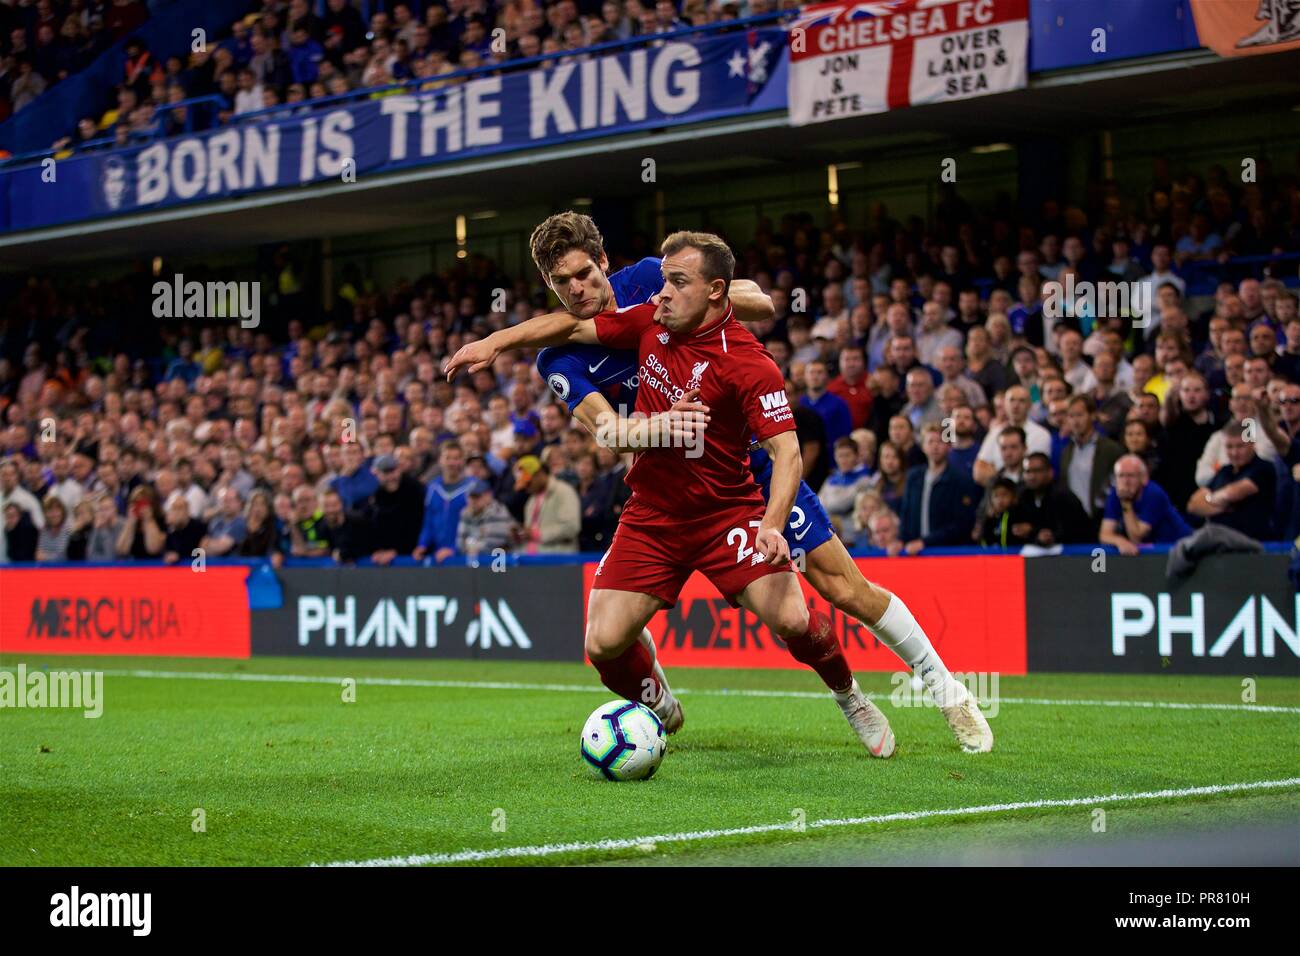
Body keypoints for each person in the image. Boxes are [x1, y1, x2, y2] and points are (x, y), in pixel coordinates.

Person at [447, 228, 987, 757]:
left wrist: (719, 299)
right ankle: (655, 694)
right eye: (562, 281)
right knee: (605, 639)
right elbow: (605, 425)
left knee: (843, 591)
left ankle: (945, 691)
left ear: (604, 262)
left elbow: (758, 299)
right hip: (664, 496)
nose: (578, 289)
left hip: (746, 472)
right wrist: (495, 342)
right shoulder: (562, 354)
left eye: (585, 273)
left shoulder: (652, 287)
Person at [1187, 423, 1278, 541]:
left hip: (1253, 544)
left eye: (1240, 446)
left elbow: (1232, 494)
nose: (1234, 453)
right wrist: (1222, 505)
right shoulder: (1224, 471)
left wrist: (1209, 501)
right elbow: (1193, 505)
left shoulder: (1263, 468)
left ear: (1252, 444)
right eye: (1229, 447)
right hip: (1220, 542)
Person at [898, 424, 980, 553]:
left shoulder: (961, 480)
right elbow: (906, 515)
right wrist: (900, 541)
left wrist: (925, 542)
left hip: (948, 553)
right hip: (914, 553)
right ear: (923, 447)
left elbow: (962, 524)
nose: (935, 446)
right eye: (930, 441)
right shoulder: (913, 478)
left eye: (940, 441)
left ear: (949, 446)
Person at [1098, 455, 1190, 554]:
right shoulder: (1115, 494)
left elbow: (1136, 538)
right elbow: (1104, 534)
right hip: (1155, 551)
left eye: (1131, 476)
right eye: (1121, 476)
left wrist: (1126, 503)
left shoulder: (1154, 494)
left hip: (1180, 548)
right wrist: (1120, 541)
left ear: (1144, 478)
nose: (1125, 482)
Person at [1011, 453, 1093, 546]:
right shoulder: (1022, 495)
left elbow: (1072, 531)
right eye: (1027, 471)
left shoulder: (1063, 497)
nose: (1032, 476)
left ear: (1050, 472)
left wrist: (1035, 532)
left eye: (1037, 471)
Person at [457, 479, 518, 559]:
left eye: (477, 496)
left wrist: (473, 548)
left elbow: (494, 544)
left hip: (501, 563)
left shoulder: (498, 511)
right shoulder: (465, 514)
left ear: (488, 495)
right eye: (470, 497)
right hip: (477, 563)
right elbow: (460, 544)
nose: (473, 501)